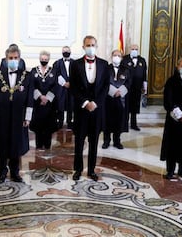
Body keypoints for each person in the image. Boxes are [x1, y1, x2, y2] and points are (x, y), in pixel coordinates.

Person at [0, 44, 34, 184]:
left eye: (16, 58)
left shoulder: (27, 76)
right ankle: (2, 172)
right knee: (2, 145)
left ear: (19, 59)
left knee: (16, 144)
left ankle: (15, 172)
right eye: (10, 58)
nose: (13, 60)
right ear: (6, 59)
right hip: (2, 117)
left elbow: (30, 98)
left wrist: (28, 117)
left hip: (19, 117)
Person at [70, 35, 110, 181]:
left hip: (97, 110)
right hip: (82, 109)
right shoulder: (75, 65)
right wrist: (85, 102)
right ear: (83, 46)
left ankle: (92, 170)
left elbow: (106, 87)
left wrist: (95, 103)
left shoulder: (105, 64)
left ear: (96, 46)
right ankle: (78, 169)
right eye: (88, 45)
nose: (90, 47)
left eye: (93, 44)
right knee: (79, 141)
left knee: (94, 142)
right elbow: (73, 87)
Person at [29, 50, 58, 150]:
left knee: (48, 125)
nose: (44, 61)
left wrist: (47, 98)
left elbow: (55, 87)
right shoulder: (33, 71)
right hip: (38, 103)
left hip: (49, 105)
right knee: (38, 125)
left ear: (49, 60)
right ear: (39, 59)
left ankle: (47, 144)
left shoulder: (54, 71)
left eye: (45, 59)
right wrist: (40, 97)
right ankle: (39, 144)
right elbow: (31, 86)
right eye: (42, 59)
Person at [102, 49, 131, 149]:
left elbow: (128, 83)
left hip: (121, 99)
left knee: (119, 120)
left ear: (122, 58)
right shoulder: (106, 68)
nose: (116, 57)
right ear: (111, 56)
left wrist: (120, 92)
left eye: (119, 56)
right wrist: (113, 92)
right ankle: (106, 140)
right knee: (107, 120)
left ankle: (117, 141)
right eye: (115, 55)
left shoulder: (126, 69)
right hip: (108, 98)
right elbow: (103, 82)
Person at [121, 44, 147, 131]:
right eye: (133, 49)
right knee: (126, 105)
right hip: (127, 87)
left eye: (136, 49)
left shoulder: (142, 60)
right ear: (129, 49)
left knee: (135, 106)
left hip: (137, 87)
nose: (134, 50)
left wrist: (144, 86)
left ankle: (133, 124)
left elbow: (144, 75)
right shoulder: (124, 59)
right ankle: (124, 124)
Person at [53, 46, 74, 129]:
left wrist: (71, 82)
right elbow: (56, 74)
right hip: (61, 87)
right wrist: (64, 83)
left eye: (67, 51)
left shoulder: (75, 63)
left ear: (70, 52)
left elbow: (77, 74)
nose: (66, 52)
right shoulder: (57, 63)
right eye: (64, 51)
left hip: (72, 87)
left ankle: (70, 122)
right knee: (60, 105)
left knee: (71, 105)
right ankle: (60, 121)